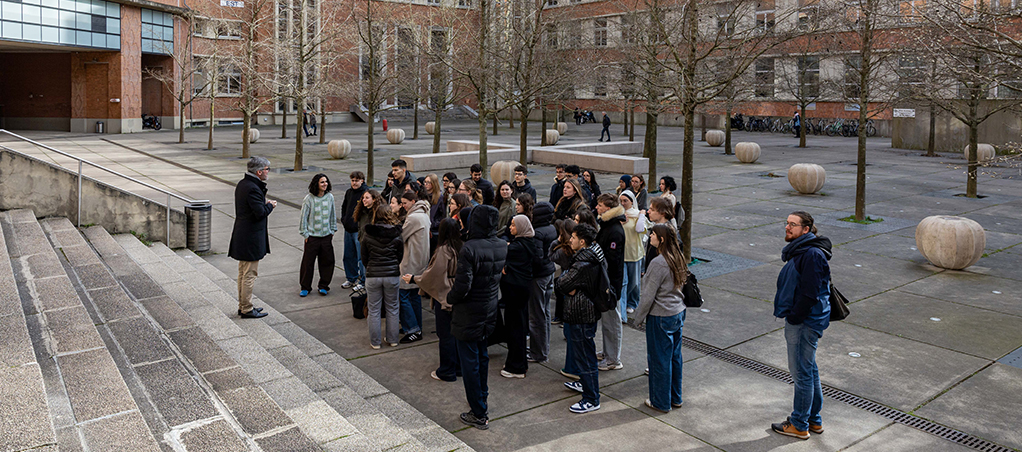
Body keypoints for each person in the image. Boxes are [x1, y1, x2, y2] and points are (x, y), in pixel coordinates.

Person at [771, 211, 832, 440]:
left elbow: (810, 293)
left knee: (802, 374)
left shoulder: (812, 254)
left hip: (805, 323)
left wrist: (795, 317)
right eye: (787, 223)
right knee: (810, 370)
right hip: (807, 320)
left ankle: (799, 424)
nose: (787, 227)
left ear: (806, 229)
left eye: (793, 224)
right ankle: (813, 420)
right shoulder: (803, 249)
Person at [448, 205, 508, 430]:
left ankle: (478, 411)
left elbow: (462, 287)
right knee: (481, 356)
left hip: (469, 312)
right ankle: (482, 398)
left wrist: (450, 298)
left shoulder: (470, 248)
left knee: (470, 362)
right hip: (489, 308)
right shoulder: (502, 245)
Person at [632, 224, 688, 413]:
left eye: (653, 233)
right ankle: (675, 397)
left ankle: (660, 401)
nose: (650, 236)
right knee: (675, 357)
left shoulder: (658, 262)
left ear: (661, 239)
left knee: (659, 361)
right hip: (677, 311)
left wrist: (638, 318)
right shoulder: (677, 257)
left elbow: (648, 296)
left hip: (661, 316)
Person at [404, 218, 463, 382]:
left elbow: (433, 275)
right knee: (457, 333)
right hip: (459, 292)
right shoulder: (461, 246)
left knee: (445, 335)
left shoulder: (444, 251)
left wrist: (415, 279)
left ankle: (447, 370)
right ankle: (458, 367)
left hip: (445, 294)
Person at [556, 223, 605, 414]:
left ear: (582, 241)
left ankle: (591, 398)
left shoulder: (583, 263)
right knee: (586, 354)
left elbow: (561, 283)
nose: (570, 240)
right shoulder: (594, 253)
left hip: (581, 313)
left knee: (585, 356)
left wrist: (567, 282)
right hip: (587, 311)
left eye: (573, 237)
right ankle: (586, 385)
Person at [229, 157, 276, 319]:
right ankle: (247, 308)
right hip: (250, 237)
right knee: (249, 273)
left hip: (243, 234)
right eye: (267, 169)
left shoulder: (244, 184)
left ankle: (243, 306)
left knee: (243, 272)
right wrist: (270, 205)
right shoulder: (252, 188)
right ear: (259, 171)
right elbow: (260, 213)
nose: (268, 172)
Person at [500, 215, 539, 379]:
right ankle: (519, 362)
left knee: (514, 327)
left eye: (514, 225)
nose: (510, 227)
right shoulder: (529, 244)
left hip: (514, 291)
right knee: (519, 325)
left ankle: (516, 367)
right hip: (522, 289)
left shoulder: (516, 248)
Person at [362, 203, 403, 349]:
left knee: (374, 309)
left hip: (373, 274)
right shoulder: (397, 234)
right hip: (391, 274)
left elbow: (364, 257)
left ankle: (375, 342)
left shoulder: (368, 234)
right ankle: (392, 339)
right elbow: (400, 255)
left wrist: (371, 267)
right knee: (392, 307)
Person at [594, 193, 625, 371]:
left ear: (608, 208)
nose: (597, 207)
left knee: (612, 321)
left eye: (600, 205)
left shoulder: (614, 231)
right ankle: (608, 352)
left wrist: (610, 287)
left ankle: (613, 359)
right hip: (607, 282)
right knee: (607, 321)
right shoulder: (608, 226)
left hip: (610, 285)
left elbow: (612, 262)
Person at [398, 190, 431, 344]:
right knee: (414, 295)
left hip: (410, 261)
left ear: (412, 201)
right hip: (421, 260)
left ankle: (412, 328)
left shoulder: (413, 218)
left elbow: (400, 237)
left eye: (405, 203)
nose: (403, 206)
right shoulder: (424, 213)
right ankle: (414, 325)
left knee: (403, 295)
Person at [299, 173, 337, 297]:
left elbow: (333, 214)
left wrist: (332, 230)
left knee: (327, 262)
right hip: (312, 237)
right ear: (316, 184)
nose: (325, 184)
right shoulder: (309, 198)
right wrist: (305, 234)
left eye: (326, 181)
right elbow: (303, 217)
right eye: (322, 182)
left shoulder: (330, 197)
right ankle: (305, 287)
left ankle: (324, 286)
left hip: (326, 236)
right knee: (307, 263)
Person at [529, 202, 557, 364]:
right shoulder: (551, 228)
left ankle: (538, 352)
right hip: (548, 273)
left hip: (538, 277)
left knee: (536, 315)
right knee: (544, 312)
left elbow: (537, 258)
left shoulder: (538, 233)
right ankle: (542, 348)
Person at [618, 190, 644, 320]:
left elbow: (640, 229)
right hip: (621, 254)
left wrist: (642, 216)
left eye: (625, 201)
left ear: (632, 202)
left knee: (634, 282)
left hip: (634, 254)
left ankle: (632, 302)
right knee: (623, 282)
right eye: (621, 201)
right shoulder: (618, 215)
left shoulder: (637, 215)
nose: (622, 203)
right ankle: (622, 309)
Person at [340, 171, 368, 290]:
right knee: (348, 255)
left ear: (362, 180)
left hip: (358, 230)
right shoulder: (349, 192)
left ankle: (363, 280)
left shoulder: (365, 193)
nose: (354, 183)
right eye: (352, 180)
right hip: (348, 229)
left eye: (357, 180)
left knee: (361, 257)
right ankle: (351, 278)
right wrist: (344, 219)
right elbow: (344, 207)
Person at [549, 219, 576, 328]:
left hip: (565, 276)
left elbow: (551, 256)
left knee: (563, 298)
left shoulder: (562, 250)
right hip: (572, 275)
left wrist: (556, 242)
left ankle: (563, 318)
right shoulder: (575, 246)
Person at [643, 198, 679, 275]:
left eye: (652, 210)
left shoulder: (667, 232)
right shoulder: (655, 228)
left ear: (663, 213)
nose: (648, 211)